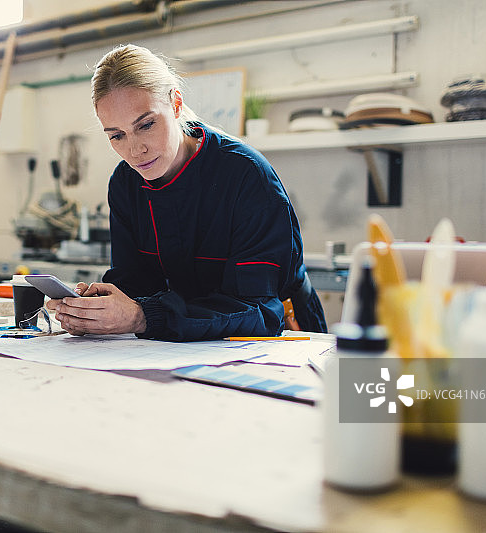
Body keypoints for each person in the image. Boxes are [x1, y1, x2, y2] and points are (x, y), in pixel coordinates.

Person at [46, 44, 326, 341]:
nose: (135, 150)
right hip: (183, 340)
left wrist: (143, 316)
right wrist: (99, 309)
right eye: (117, 135)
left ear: (176, 104)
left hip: (280, 339)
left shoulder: (246, 175)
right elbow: (135, 285)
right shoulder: (126, 183)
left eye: (146, 125)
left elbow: (259, 310)